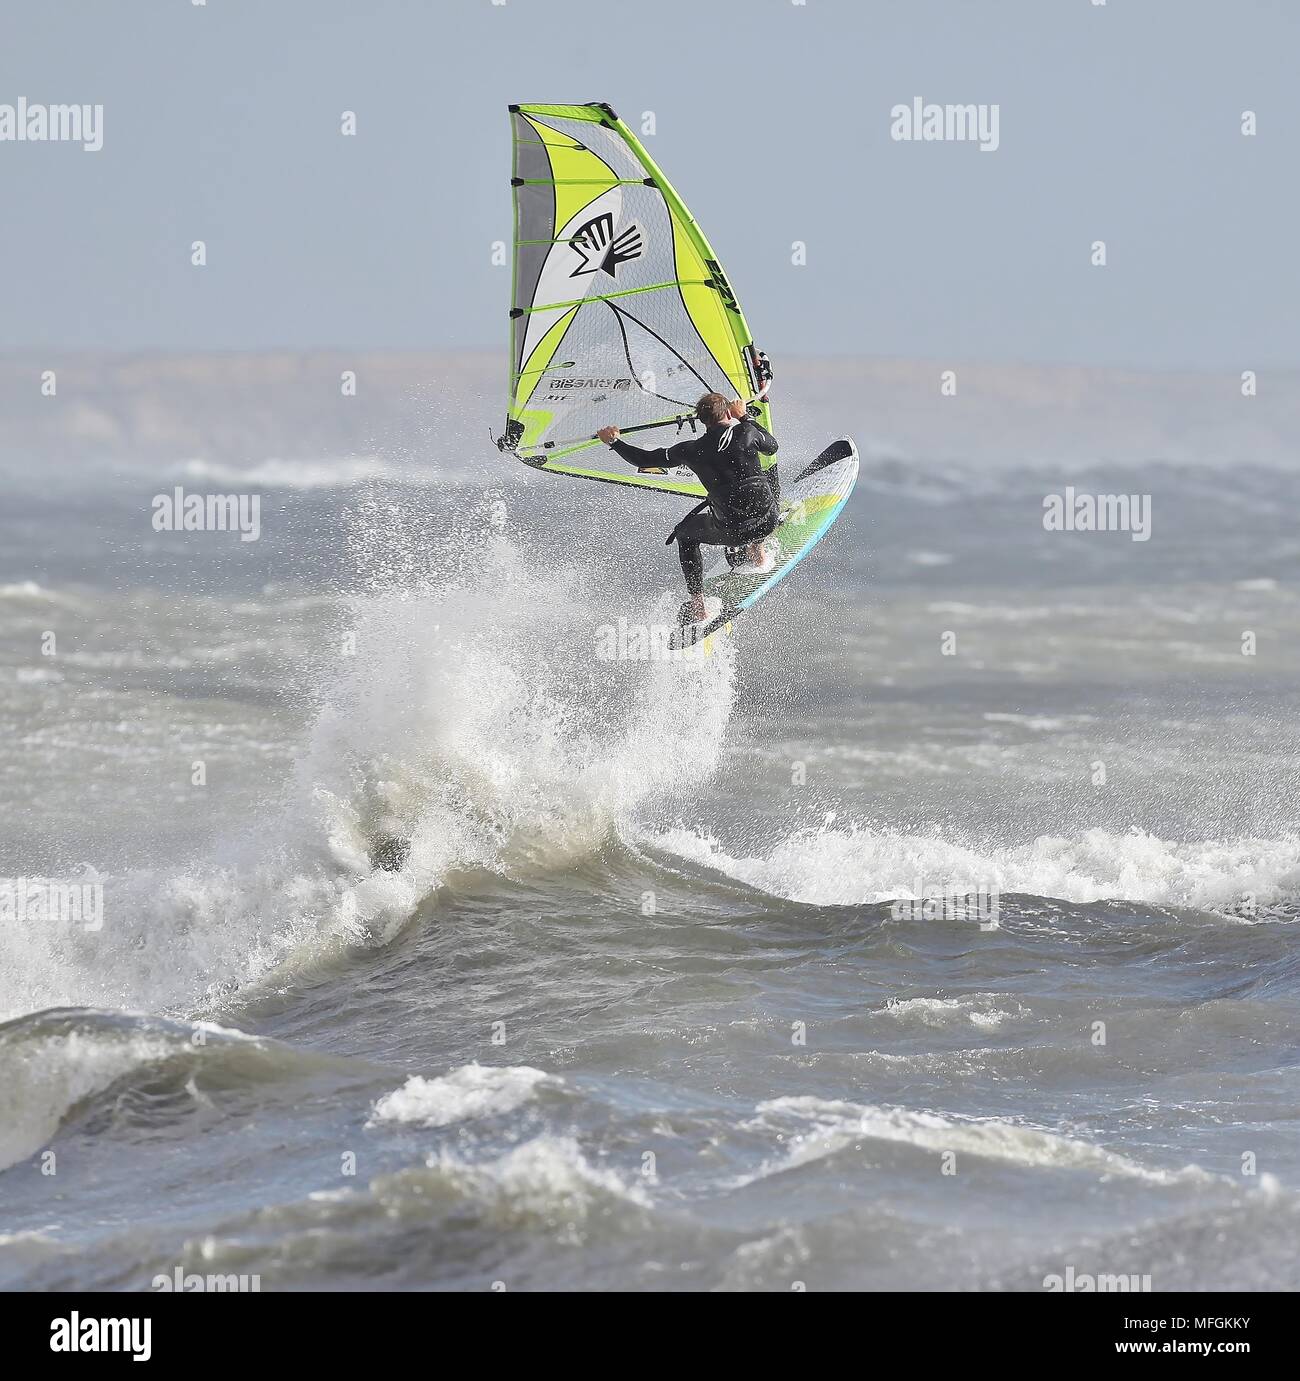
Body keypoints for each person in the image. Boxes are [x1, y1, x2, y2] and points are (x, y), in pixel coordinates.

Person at [597, 393, 781, 624]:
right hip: (770, 520)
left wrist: (614, 442)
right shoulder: (746, 433)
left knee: (685, 534)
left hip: (733, 534)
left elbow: (644, 460)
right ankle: (758, 554)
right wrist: (744, 417)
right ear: (727, 413)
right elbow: (771, 447)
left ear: (702, 420)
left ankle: (699, 607)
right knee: (757, 488)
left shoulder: (689, 451)